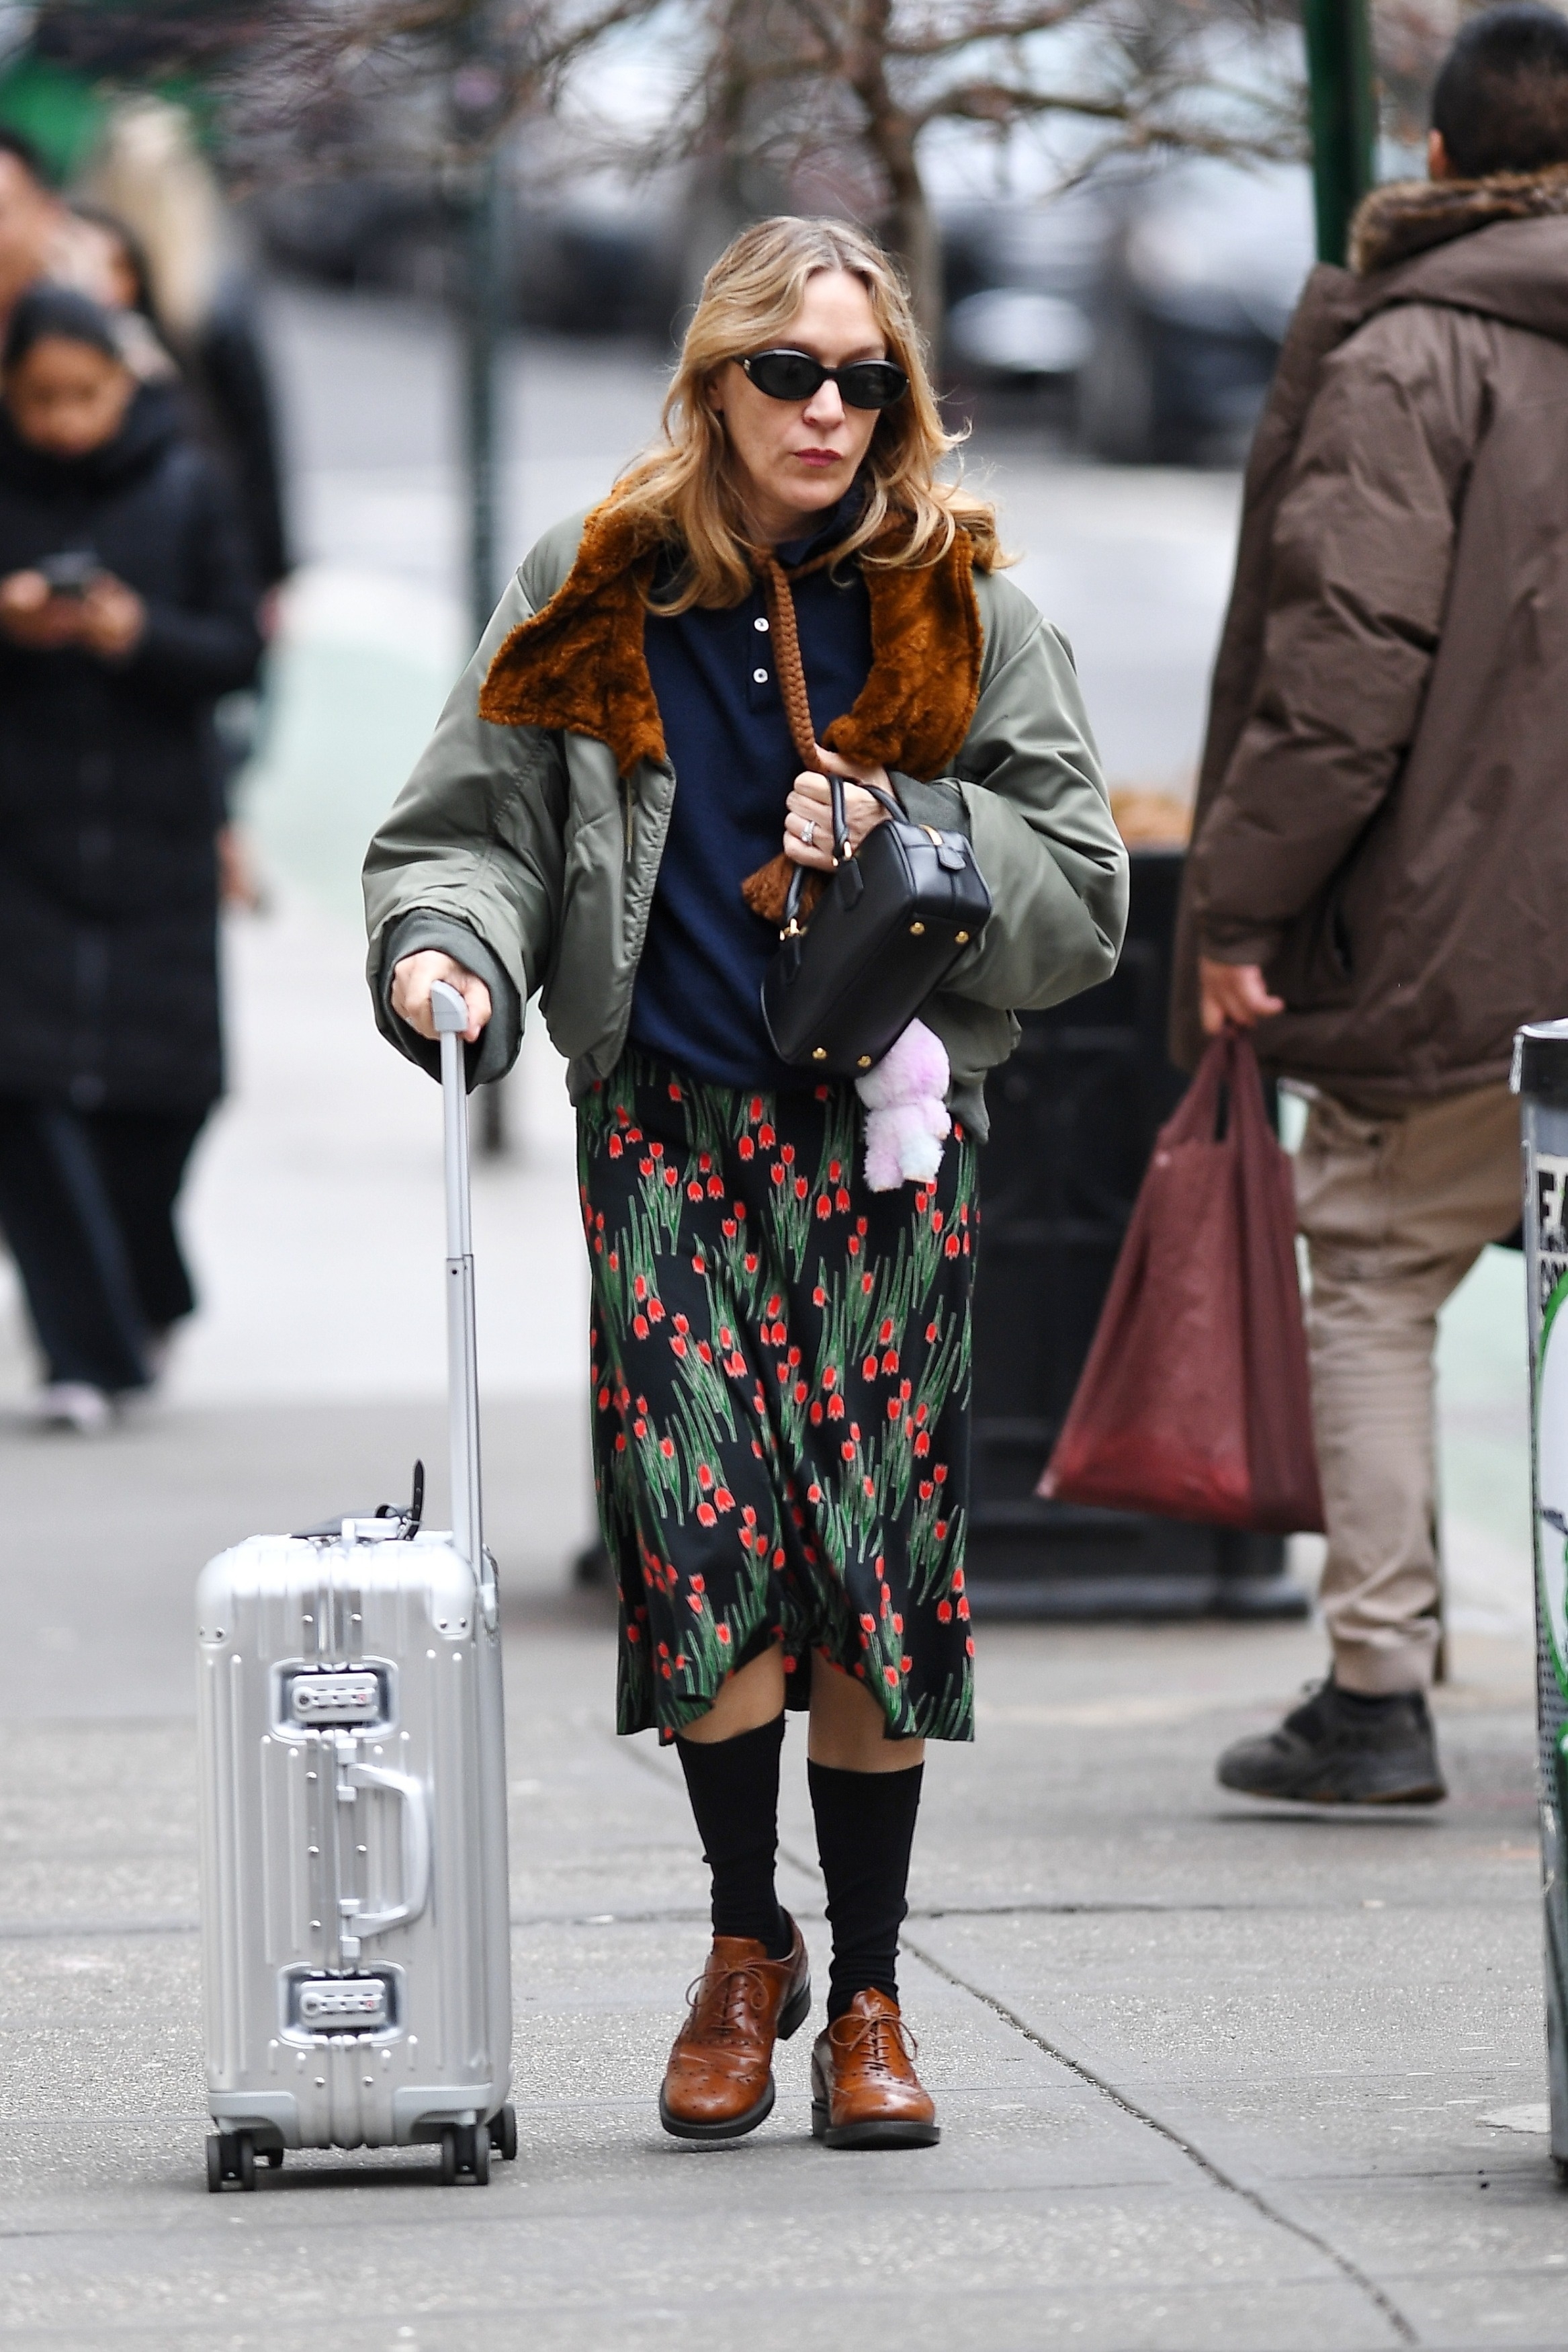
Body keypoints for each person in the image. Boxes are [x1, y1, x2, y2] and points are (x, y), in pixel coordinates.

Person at [365, 215, 1126, 2145]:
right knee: (701, 1557)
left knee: (873, 1569)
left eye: (864, 379)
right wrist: (444, 948)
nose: (826, 411)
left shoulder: (962, 604)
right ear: (712, 383)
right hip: (670, 1137)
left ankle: (865, 1989)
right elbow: (474, 829)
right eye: (787, 371)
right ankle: (739, 1942)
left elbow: (1084, 895)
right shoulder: (595, 583)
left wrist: (912, 823)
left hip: (885, 1148)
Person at [1173, 2, 1568, 1805]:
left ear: (1438, 154)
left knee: (1379, 1271)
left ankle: (1376, 1689)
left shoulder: (1410, 356)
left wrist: (1237, 911)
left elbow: (1339, 682)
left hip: (1457, 940)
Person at [0, 286, 261, 1431]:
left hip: (156, 836)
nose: (64, 420)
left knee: (165, 1096)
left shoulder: (189, 483)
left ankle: (145, 1291)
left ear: (125, 385)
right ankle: (88, 1353)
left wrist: (137, 632)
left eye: (85, 395)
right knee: (26, 1096)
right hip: (21, 844)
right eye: (40, 398)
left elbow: (237, 648)